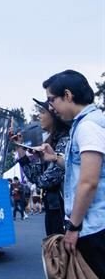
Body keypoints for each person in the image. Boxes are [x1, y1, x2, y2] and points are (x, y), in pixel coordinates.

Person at [40, 69, 105, 275]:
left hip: (94, 226)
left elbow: (88, 181)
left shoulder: (88, 126)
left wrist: (74, 227)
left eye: (52, 100)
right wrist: (56, 159)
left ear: (67, 95)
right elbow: (86, 168)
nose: (51, 107)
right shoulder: (91, 122)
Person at [16, 98, 70, 236]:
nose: (38, 116)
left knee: (62, 255)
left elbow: (44, 180)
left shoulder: (65, 141)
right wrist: (19, 146)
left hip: (63, 211)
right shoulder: (49, 141)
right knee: (54, 254)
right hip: (53, 208)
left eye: (42, 111)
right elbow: (34, 176)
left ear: (54, 115)